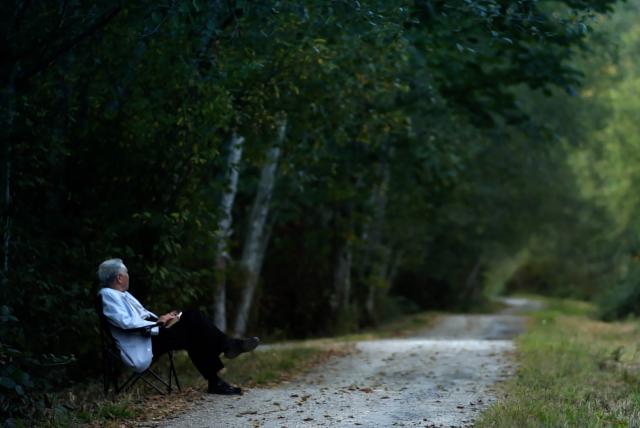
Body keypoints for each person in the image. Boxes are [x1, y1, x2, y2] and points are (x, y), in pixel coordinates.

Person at [97, 258, 259, 395]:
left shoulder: (122, 295)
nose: (128, 276)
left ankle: (216, 378)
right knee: (193, 318)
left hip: (150, 334)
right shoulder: (108, 295)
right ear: (119, 278)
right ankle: (228, 348)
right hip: (143, 342)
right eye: (126, 274)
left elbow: (142, 316)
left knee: (193, 330)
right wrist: (157, 323)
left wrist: (164, 318)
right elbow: (124, 322)